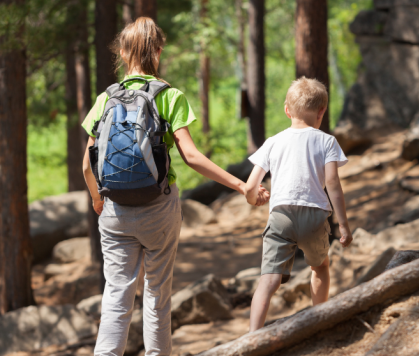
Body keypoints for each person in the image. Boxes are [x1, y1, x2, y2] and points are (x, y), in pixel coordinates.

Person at [81, 17, 268, 356]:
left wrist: (98, 200)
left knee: (116, 297)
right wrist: (241, 186)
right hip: (158, 211)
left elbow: (86, 163)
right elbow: (192, 157)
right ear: (159, 51)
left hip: (114, 214)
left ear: (123, 53)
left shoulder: (104, 99)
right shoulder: (169, 96)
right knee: (156, 297)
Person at [244, 77, 353, 332]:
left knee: (268, 281)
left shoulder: (273, 141)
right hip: (316, 216)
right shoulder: (327, 141)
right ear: (322, 111)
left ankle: (252, 337)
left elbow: (250, 187)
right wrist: (345, 226)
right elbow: (333, 184)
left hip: (281, 215)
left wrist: (254, 198)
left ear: (286, 109)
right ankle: (319, 322)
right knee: (320, 267)